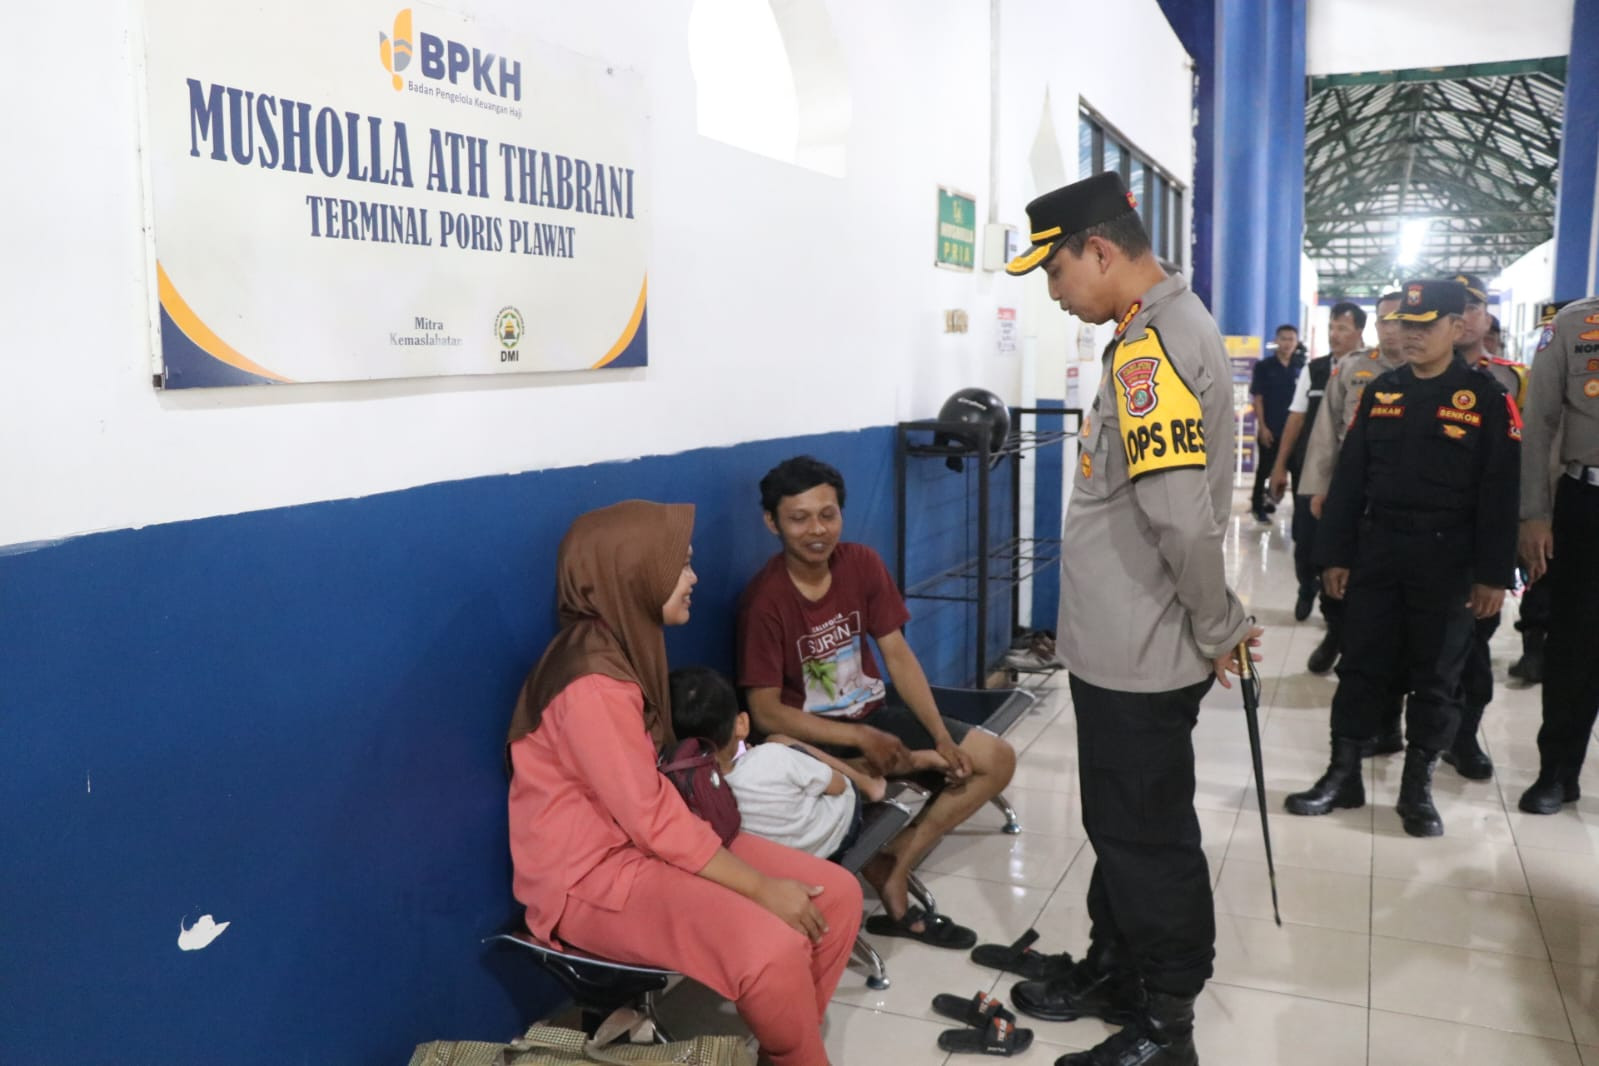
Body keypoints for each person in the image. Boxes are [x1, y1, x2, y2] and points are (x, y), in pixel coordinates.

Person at [1002, 172, 1261, 1066]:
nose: (1054, 292)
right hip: (1121, 644)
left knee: (1146, 836)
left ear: (1101, 251)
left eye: (1056, 271)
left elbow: (1181, 519)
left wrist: (1221, 624)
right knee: (1118, 824)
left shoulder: (1150, 349)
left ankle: (1165, 1025)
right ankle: (1116, 968)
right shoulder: (1150, 332)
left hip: (1140, 652)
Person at [505, 501, 863, 1066]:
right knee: (772, 947)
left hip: (648, 846)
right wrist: (760, 887)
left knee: (837, 897)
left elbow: (651, 815)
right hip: (591, 880)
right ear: (633, 571)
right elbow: (648, 817)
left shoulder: (620, 644)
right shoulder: (591, 684)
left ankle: (790, 1045)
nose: (693, 578)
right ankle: (799, 1050)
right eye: (681, 565)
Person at [737, 456, 1016, 950]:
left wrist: (941, 736)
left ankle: (894, 860)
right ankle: (896, 785)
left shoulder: (861, 563)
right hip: (815, 741)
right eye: (799, 518)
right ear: (771, 522)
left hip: (873, 717)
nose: (817, 530)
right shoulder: (765, 601)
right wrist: (860, 737)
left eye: (828, 515)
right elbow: (765, 712)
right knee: (873, 766)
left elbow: (897, 653)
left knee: (993, 759)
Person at [1284, 280, 1519, 837]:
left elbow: (1500, 492)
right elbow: (1349, 480)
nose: (1410, 336)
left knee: (1437, 677)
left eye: (1424, 326)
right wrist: (1334, 556)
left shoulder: (1485, 398)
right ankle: (1343, 774)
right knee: (1361, 666)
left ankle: (1417, 789)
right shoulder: (1383, 391)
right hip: (1379, 552)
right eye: (1404, 325)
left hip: (1447, 558)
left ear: (1456, 328)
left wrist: (1492, 575)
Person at [669, 664, 945, 859]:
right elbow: (837, 786)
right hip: (837, 833)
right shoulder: (771, 756)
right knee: (779, 739)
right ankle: (870, 784)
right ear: (742, 724)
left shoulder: (696, 797)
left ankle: (868, 772)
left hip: (788, 865)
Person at [1516, 294, 1599, 814]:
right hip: (1586, 502)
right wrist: (1534, 513)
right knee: (1574, 648)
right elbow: (1539, 421)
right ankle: (1557, 772)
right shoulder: (1574, 325)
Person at [1296, 291, 1406, 678]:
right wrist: (1318, 488)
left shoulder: (1428, 370)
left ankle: (1369, 653)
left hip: (1398, 496)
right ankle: (1335, 634)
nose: (1390, 328)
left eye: (1399, 318)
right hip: (1347, 491)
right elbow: (1326, 431)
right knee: (1334, 569)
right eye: (1383, 320)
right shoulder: (1353, 368)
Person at [1269, 302, 1366, 621]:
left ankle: (1335, 603)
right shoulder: (1315, 369)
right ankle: (1306, 586)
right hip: (1310, 470)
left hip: (1353, 475)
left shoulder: (1371, 370)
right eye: (1332, 328)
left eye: (1342, 328)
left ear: (1360, 332)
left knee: (1341, 538)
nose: (1334, 335)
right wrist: (1279, 465)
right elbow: (1296, 419)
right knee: (1305, 535)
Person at [1508, 299, 1573, 684]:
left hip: (1572, 488)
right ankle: (1534, 648)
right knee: (1538, 572)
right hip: (1541, 492)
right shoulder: (1527, 378)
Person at [1249, 324, 1305, 523]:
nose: (1287, 343)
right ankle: (1258, 506)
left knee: (1297, 473)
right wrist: (1262, 427)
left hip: (1296, 433)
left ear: (1296, 341)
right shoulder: (1264, 367)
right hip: (1271, 430)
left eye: (1291, 339)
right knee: (1264, 469)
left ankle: (1300, 515)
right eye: (1283, 339)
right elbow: (1258, 398)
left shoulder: (1303, 367)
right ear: (1276, 341)